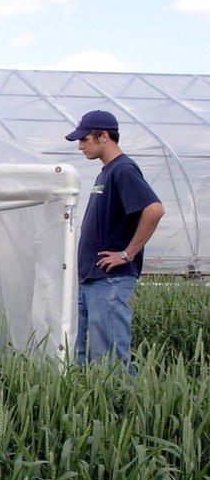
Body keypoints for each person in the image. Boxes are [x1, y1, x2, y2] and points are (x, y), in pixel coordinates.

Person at [65, 109, 164, 370]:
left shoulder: (123, 169)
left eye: (85, 139)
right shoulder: (105, 173)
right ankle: (94, 405)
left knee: (109, 359)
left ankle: (121, 406)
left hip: (109, 280)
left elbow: (154, 209)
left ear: (104, 136)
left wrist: (126, 254)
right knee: (84, 355)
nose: (80, 146)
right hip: (91, 276)